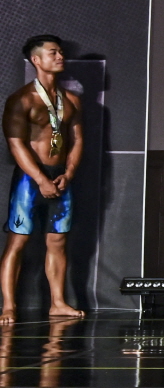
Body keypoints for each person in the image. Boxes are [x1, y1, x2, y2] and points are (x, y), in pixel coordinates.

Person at [2, 35, 84, 325]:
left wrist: (68, 174)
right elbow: (16, 145)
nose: (60, 57)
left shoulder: (71, 100)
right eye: (53, 53)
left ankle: (58, 302)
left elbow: (77, 141)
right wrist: (39, 179)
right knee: (18, 241)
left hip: (60, 177)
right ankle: (8, 306)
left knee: (58, 241)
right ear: (36, 60)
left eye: (61, 52)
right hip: (29, 178)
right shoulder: (21, 99)